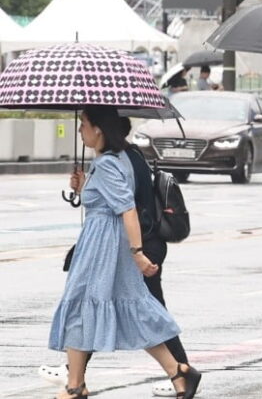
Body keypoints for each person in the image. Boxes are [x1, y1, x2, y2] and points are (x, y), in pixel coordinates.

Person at [48, 106, 201, 399]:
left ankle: (76, 386)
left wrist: (137, 252)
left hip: (103, 245)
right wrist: (84, 188)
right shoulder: (122, 158)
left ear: (99, 130)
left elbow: (126, 208)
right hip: (108, 241)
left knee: (81, 307)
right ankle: (178, 371)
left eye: (83, 124)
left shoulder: (106, 164)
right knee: (133, 309)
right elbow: (111, 200)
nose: (80, 131)